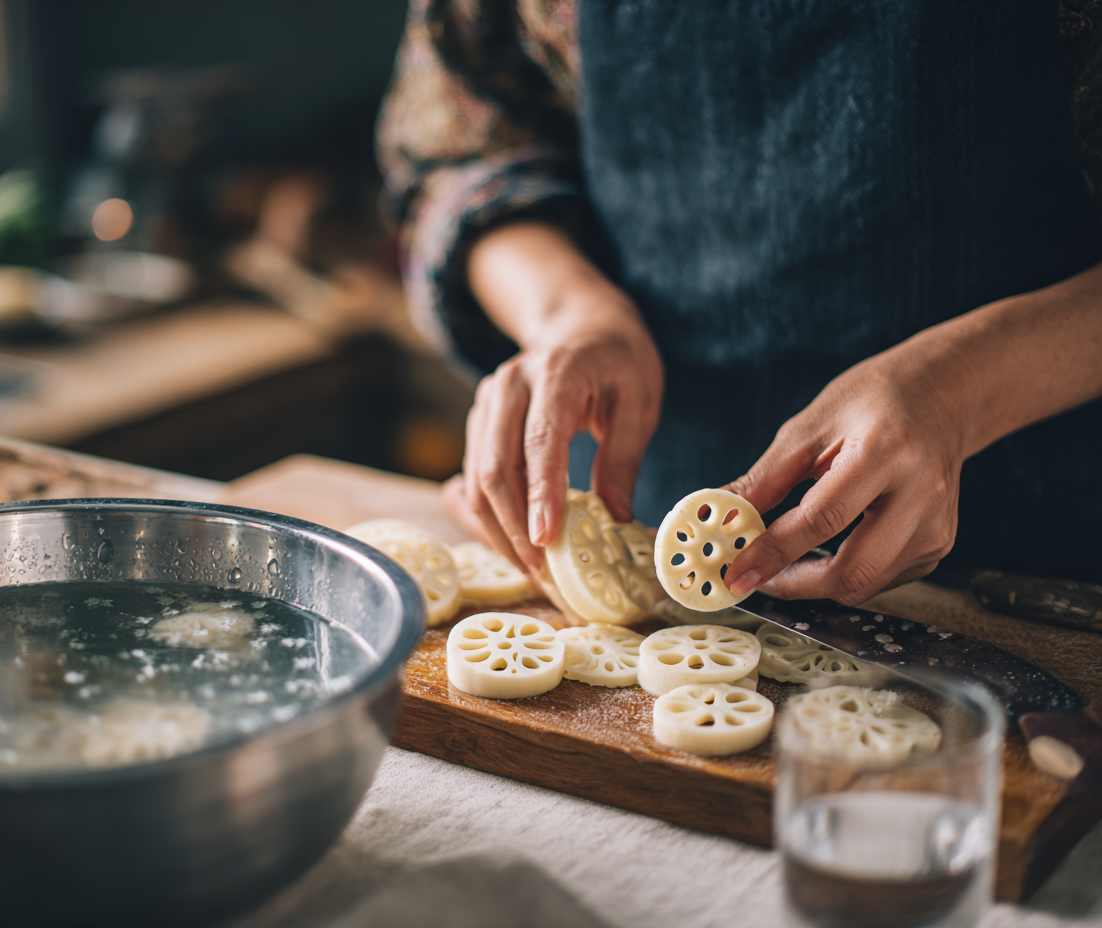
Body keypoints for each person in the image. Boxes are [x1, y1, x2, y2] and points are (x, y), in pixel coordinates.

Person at [377, 0, 1102, 601]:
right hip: (646, 501)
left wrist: (964, 386)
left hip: (1042, 550)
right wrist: (566, 311)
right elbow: (464, 147)